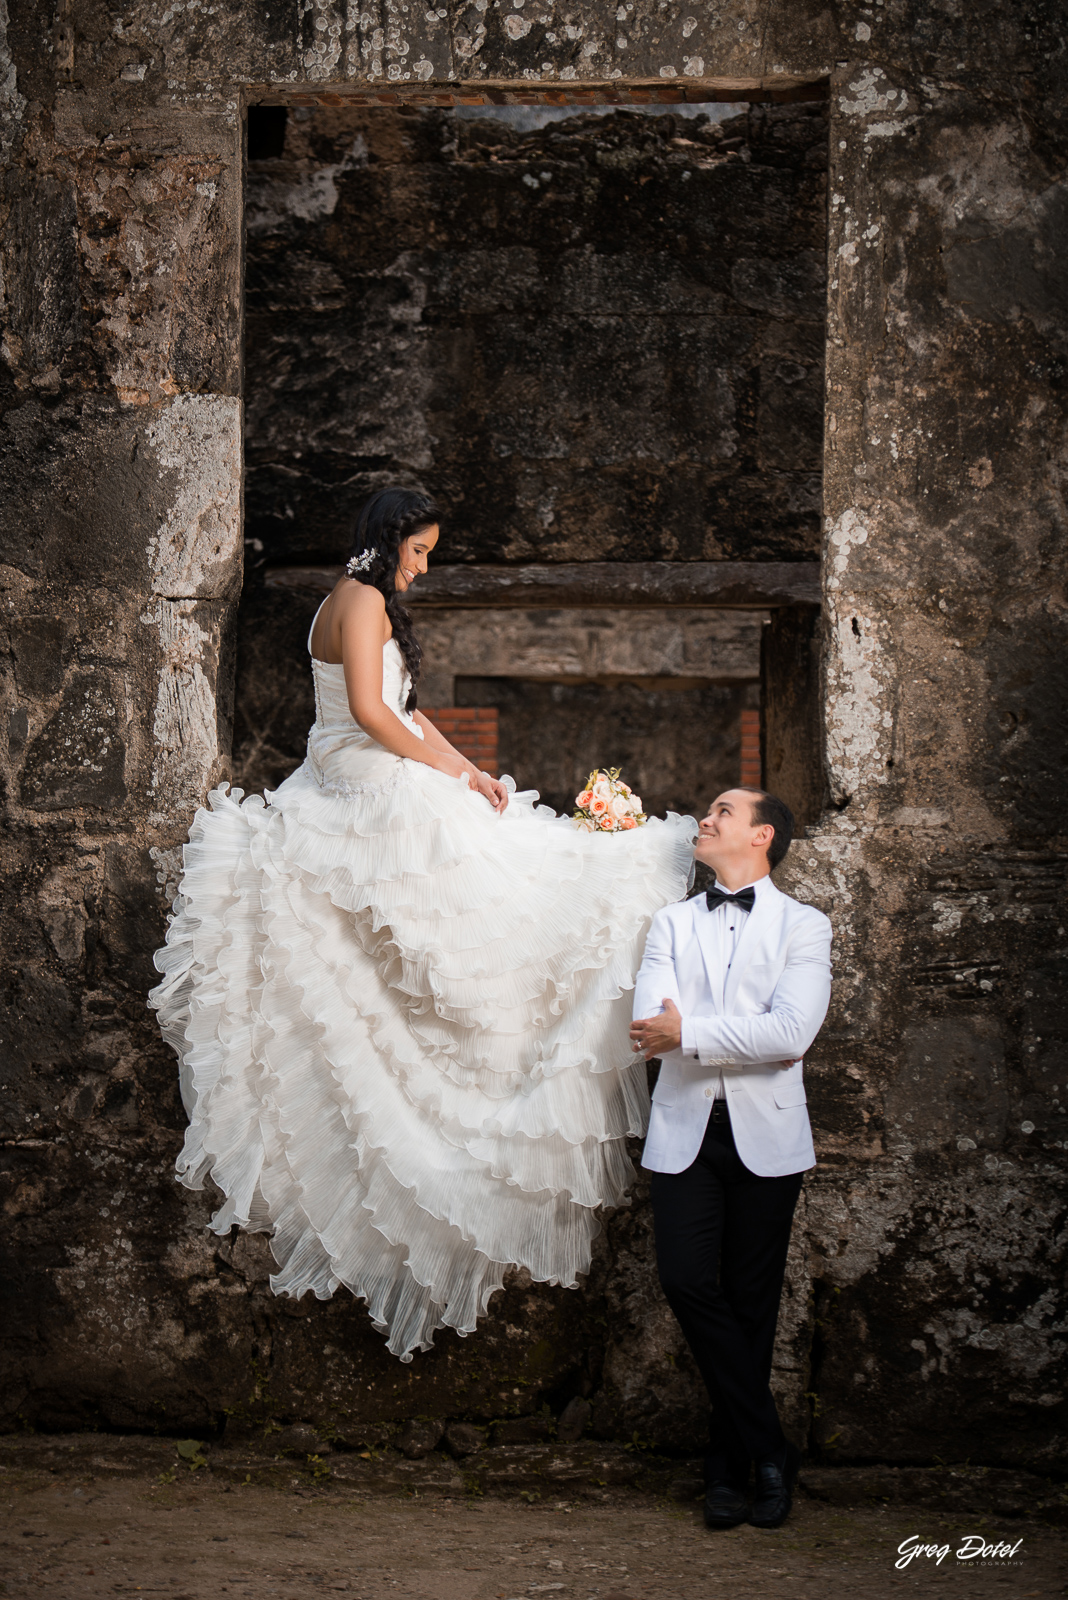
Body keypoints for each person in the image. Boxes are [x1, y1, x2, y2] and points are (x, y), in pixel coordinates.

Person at [150, 486, 695, 1361]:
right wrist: (437, 777)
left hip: (372, 767)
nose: (425, 564)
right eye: (421, 549)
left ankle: (500, 1049)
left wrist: (469, 772)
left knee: (501, 850)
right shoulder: (357, 600)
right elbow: (371, 715)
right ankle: (494, 1067)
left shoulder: (365, 600)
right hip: (363, 783)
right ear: (388, 539)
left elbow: (407, 716)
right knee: (499, 891)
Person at [629, 789, 832, 1531]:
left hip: (767, 1138)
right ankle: (772, 1446)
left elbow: (790, 1035)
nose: (704, 821)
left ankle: (730, 1469)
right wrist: (694, 1032)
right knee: (685, 1280)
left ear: (761, 835)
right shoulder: (672, 922)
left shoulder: (806, 926)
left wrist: (693, 1032)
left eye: (721, 811)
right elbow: (649, 1027)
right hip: (685, 1131)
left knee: (753, 1305)